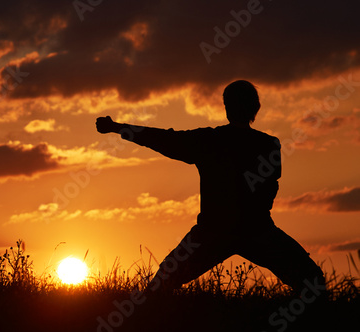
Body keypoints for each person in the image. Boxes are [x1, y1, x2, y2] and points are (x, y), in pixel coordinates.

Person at [95, 80, 325, 295]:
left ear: (227, 107)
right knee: (312, 281)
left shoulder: (211, 140)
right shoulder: (267, 144)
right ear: (256, 107)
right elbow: (270, 188)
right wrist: (117, 128)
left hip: (219, 230)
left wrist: (117, 128)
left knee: (162, 283)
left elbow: (163, 139)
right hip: (252, 230)